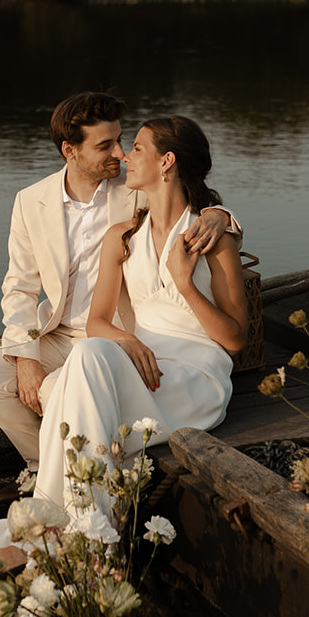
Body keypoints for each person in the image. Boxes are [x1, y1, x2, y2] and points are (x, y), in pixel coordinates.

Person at [0, 93, 238, 472]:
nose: (120, 153)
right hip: (58, 333)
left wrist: (222, 215)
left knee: (62, 387)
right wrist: (25, 358)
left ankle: (79, 471)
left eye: (122, 141)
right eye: (105, 145)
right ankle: (46, 469)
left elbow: (187, 194)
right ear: (69, 150)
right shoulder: (31, 201)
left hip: (122, 334)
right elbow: (20, 289)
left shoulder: (134, 189)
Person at [32, 115, 248, 510]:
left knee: (74, 379)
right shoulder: (122, 236)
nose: (125, 157)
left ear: (167, 162)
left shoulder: (212, 237)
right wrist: (128, 341)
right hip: (144, 365)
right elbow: (98, 321)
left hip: (196, 377)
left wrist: (185, 284)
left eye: (136, 149)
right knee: (69, 374)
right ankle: (82, 516)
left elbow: (235, 339)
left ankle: (58, 515)